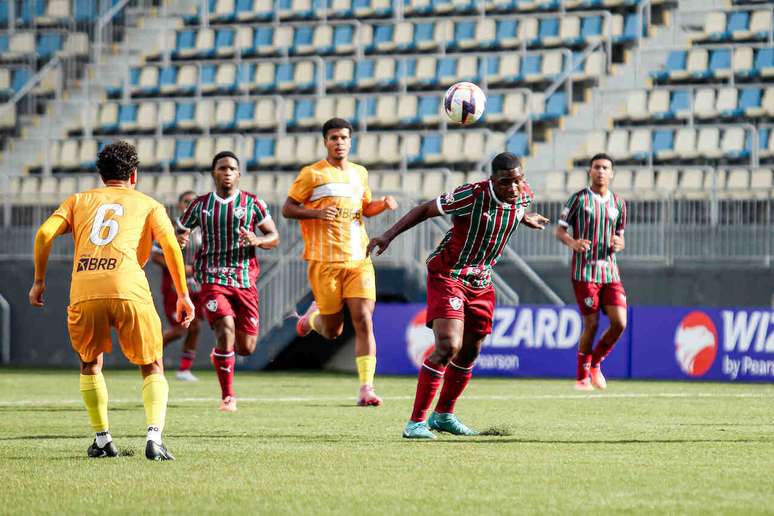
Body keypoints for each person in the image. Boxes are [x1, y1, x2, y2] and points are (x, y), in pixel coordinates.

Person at [28, 141, 194, 460]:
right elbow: (171, 246)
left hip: (86, 287)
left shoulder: (79, 200)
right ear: (134, 174)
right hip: (129, 286)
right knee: (152, 364)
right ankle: (154, 438)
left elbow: (44, 234)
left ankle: (102, 438)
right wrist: (184, 294)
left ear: (101, 174)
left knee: (90, 363)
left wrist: (38, 280)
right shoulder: (148, 204)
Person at [367, 152, 549, 439]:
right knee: (448, 345)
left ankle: (444, 415)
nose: (513, 187)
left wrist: (525, 218)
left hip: (482, 280)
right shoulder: (472, 195)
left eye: (517, 181)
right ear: (493, 181)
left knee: (470, 351)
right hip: (448, 274)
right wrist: (388, 235)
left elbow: (511, 209)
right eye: (505, 182)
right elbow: (425, 209)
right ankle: (415, 423)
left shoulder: (523, 195)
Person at [283, 117, 398, 407]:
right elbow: (288, 208)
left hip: (359, 259)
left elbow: (365, 209)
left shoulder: (360, 173)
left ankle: (366, 389)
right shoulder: (312, 174)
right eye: (334, 138)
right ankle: (310, 319)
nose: (339, 142)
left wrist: (382, 204)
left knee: (363, 320)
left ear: (350, 141)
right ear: (325, 142)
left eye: (344, 137)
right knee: (333, 330)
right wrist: (316, 214)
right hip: (325, 262)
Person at [177, 150, 279, 412]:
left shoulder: (253, 203)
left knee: (245, 347)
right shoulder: (200, 205)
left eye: (232, 169)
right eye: (222, 168)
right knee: (225, 327)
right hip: (211, 278)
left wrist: (258, 240)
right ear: (214, 173)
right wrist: (180, 239)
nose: (227, 173)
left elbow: (273, 236)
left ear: (239, 174)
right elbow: (180, 230)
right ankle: (228, 396)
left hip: (244, 279)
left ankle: (221, 356)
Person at [555, 153, 627, 392]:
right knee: (592, 323)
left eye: (605, 167)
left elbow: (620, 237)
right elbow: (560, 231)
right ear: (590, 171)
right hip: (584, 271)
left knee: (620, 323)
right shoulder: (578, 199)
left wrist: (619, 243)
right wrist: (573, 243)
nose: (601, 171)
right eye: (597, 167)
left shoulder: (619, 203)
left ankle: (595, 363)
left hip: (610, 272)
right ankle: (581, 376)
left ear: (612, 173)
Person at [151, 190, 203, 381]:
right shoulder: (172, 228)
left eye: (193, 202)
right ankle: (149, 356)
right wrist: (180, 269)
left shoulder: (203, 228)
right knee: (181, 328)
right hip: (176, 285)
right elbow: (155, 255)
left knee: (195, 327)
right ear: (180, 205)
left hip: (197, 285)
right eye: (186, 202)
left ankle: (184, 369)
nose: (189, 205)